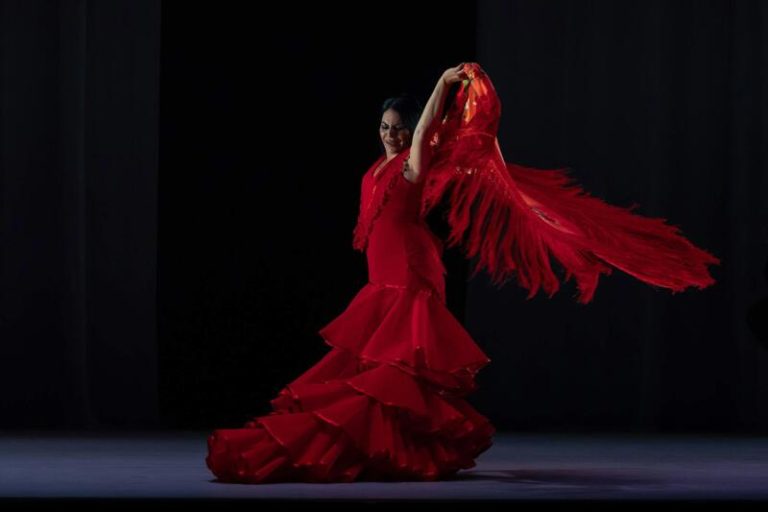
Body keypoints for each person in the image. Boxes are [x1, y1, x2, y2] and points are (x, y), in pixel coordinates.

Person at [205, 63, 719, 483]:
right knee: (371, 372)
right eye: (384, 127)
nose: (390, 135)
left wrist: (444, 85)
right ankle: (386, 449)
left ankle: (389, 449)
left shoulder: (412, 165)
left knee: (396, 367)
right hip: (379, 278)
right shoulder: (376, 168)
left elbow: (428, 128)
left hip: (408, 272)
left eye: (398, 128)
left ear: (411, 134)